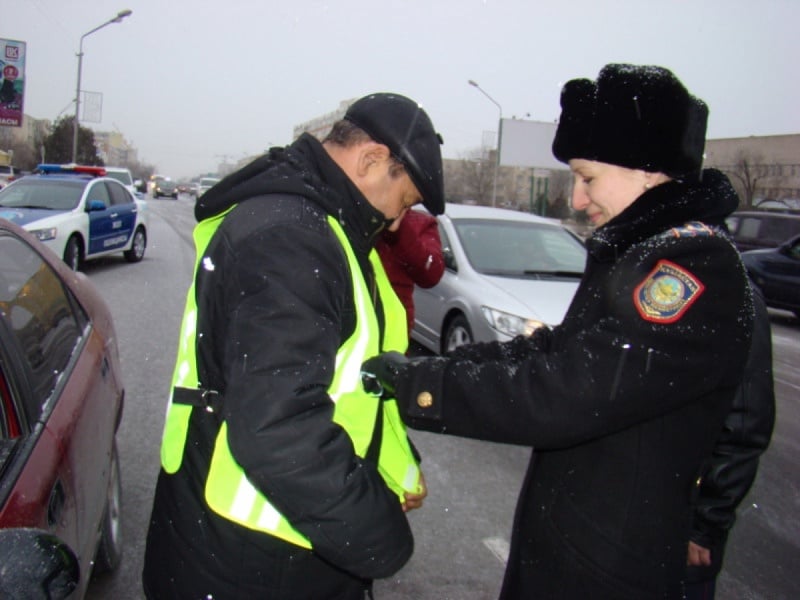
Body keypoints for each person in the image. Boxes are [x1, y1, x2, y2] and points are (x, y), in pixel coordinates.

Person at [362, 64, 755, 599]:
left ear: (646, 169)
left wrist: (419, 388)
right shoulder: (639, 252)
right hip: (580, 544)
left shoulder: (691, 267)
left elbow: (571, 390)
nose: (575, 199)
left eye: (587, 176)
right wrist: (438, 366)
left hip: (609, 566)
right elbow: (556, 347)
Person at [142, 93, 444, 599]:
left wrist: (395, 468)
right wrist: (378, 531)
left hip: (267, 545)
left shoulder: (327, 229)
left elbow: (355, 384)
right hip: (249, 559)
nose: (397, 222)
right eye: (405, 200)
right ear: (371, 160)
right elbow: (278, 428)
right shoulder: (292, 238)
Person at [685, 282, 775, 599]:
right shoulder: (639, 272)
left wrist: (705, 525)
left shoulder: (728, 288)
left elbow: (744, 426)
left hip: (683, 526)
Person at [375, 208, 444, 337]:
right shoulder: (351, 210)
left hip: (392, 328)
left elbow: (432, 274)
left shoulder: (418, 223)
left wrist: (398, 227)